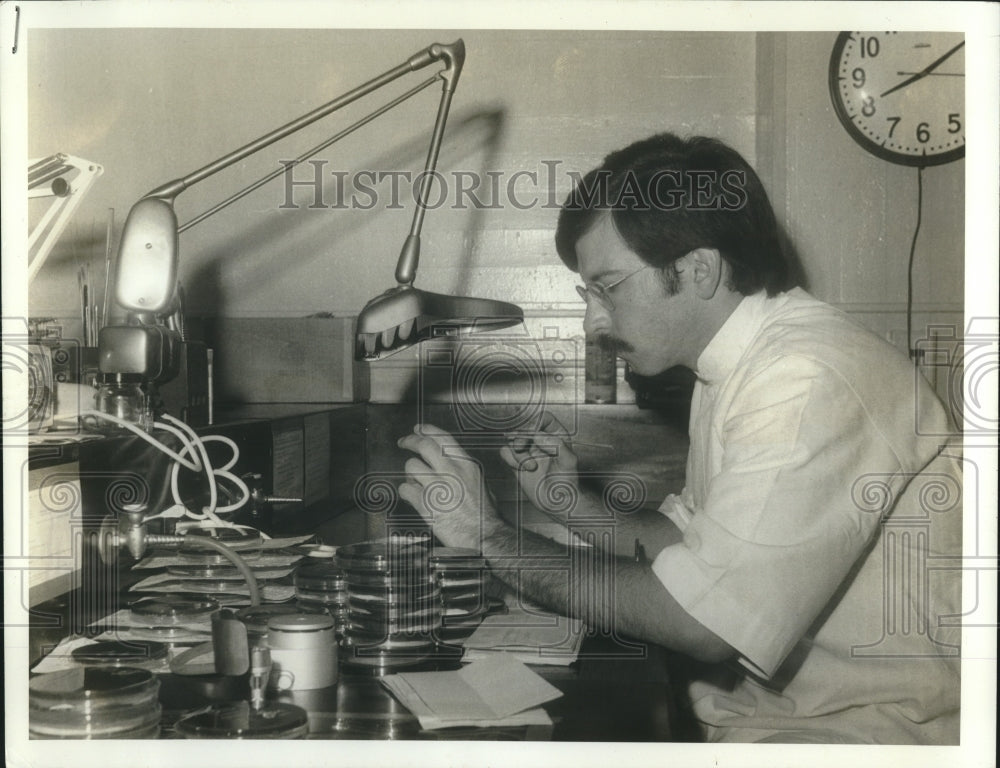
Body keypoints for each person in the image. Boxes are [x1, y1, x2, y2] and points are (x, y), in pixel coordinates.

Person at [397, 133, 962, 744]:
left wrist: (488, 537)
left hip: (870, 733)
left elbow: (702, 621)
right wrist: (570, 503)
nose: (593, 320)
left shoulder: (801, 380)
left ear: (698, 269)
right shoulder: (738, 365)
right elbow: (690, 548)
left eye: (608, 286)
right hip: (779, 714)